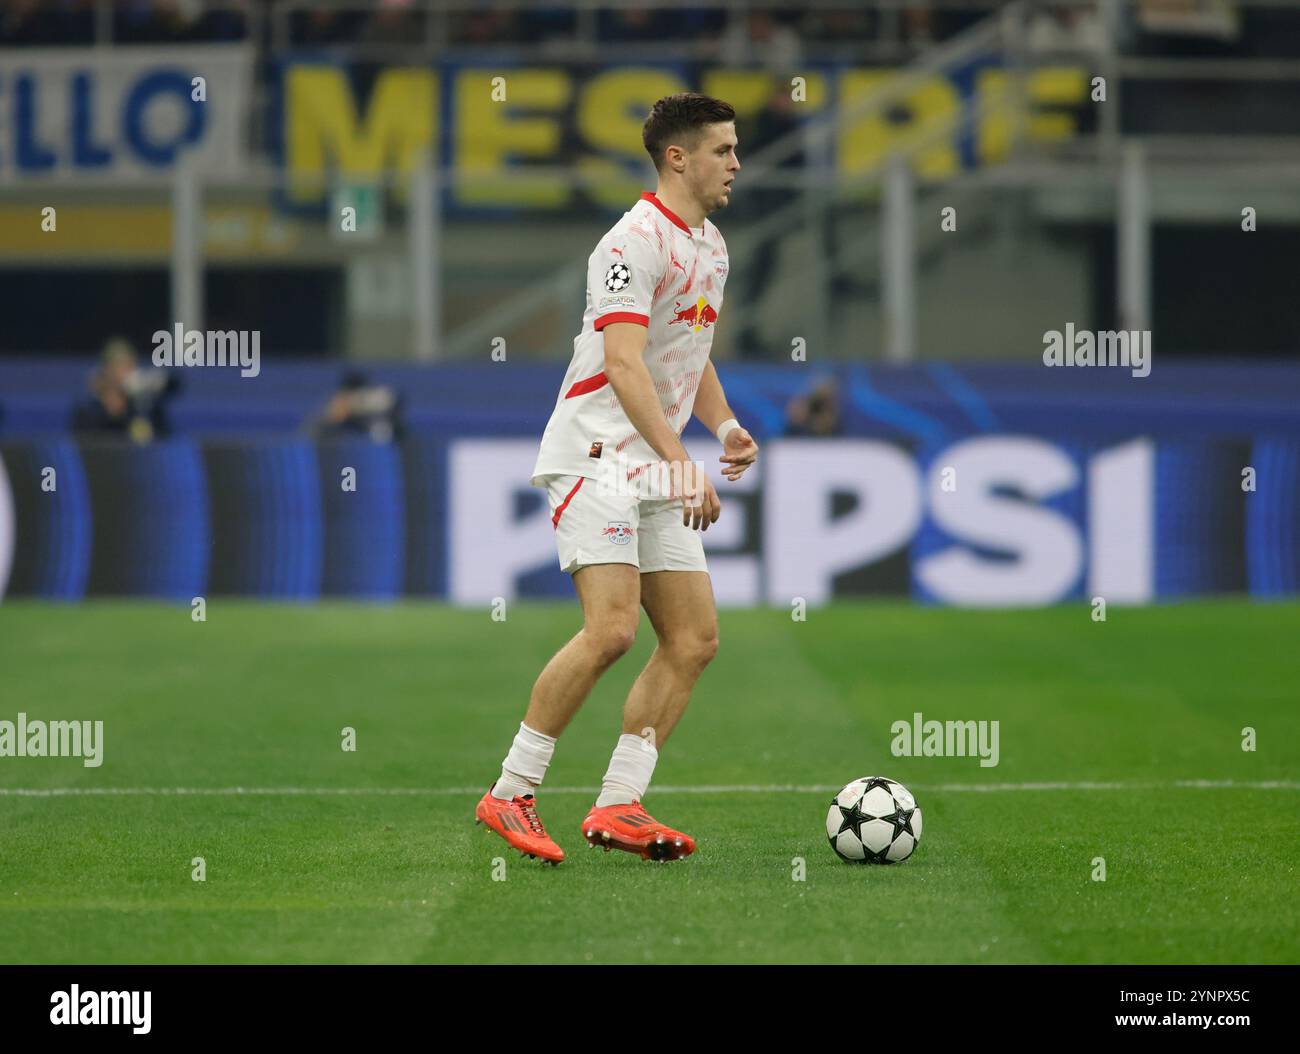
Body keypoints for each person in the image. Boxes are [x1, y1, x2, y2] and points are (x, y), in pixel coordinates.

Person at [475, 93, 760, 865]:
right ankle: (510, 791)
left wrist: (725, 424)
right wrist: (679, 459)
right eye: (723, 149)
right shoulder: (631, 242)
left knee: (694, 639)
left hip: (651, 457)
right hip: (597, 453)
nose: (736, 163)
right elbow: (626, 364)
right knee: (612, 630)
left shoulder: (711, 245)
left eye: (735, 149)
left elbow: (685, 354)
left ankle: (619, 805)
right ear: (679, 158)